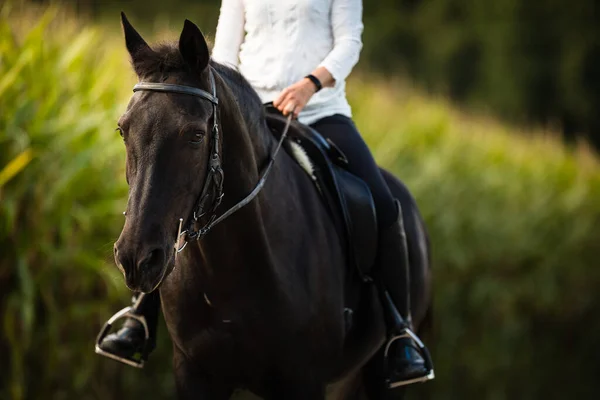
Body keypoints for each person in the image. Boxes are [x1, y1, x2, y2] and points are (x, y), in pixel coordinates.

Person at [99, 0, 432, 388]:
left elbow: (349, 43)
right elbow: (221, 53)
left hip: (319, 109)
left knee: (382, 202)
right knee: (182, 184)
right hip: (246, 112)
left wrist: (310, 85)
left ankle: (398, 331)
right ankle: (141, 313)